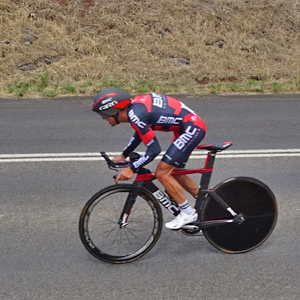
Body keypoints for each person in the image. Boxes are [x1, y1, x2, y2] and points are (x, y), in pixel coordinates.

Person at [92, 87, 206, 229]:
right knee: (175, 171)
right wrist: (124, 155)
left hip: (191, 128)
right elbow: (141, 132)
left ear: (116, 110)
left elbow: (154, 149)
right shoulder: (134, 110)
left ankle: (188, 212)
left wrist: (132, 168)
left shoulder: (135, 114)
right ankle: (207, 204)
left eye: (105, 114)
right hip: (186, 127)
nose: (103, 118)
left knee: (162, 173)